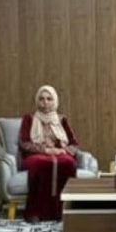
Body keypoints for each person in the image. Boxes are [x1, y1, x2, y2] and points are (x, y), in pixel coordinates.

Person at [18, 85, 79, 222]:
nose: (45, 102)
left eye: (49, 99)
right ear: (37, 101)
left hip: (59, 153)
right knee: (42, 163)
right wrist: (45, 150)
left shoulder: (61, 120)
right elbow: (24, 143)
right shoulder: (29, 119)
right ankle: (35, 212)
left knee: (68, 163)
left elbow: (74, 144)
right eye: (41, 99)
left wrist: (63, 150)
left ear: (55, 101)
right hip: (35, 154)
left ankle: (64, 211)